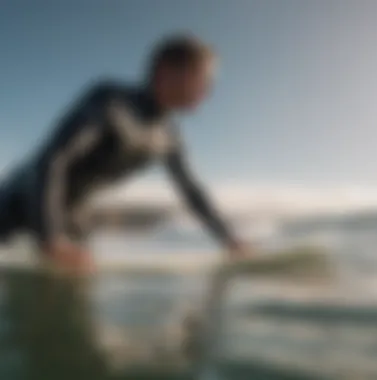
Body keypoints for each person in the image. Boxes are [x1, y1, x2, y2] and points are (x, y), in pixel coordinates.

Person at [0, 34, 247, 271]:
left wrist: (230, 240)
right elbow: (54, 159)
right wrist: (52, 238)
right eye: (203, 80)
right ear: (166, 71)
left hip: (72, 217)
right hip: (19, 203)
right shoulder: (111, 103)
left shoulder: (168, 136)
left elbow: (192, 192)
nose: (207, 91)